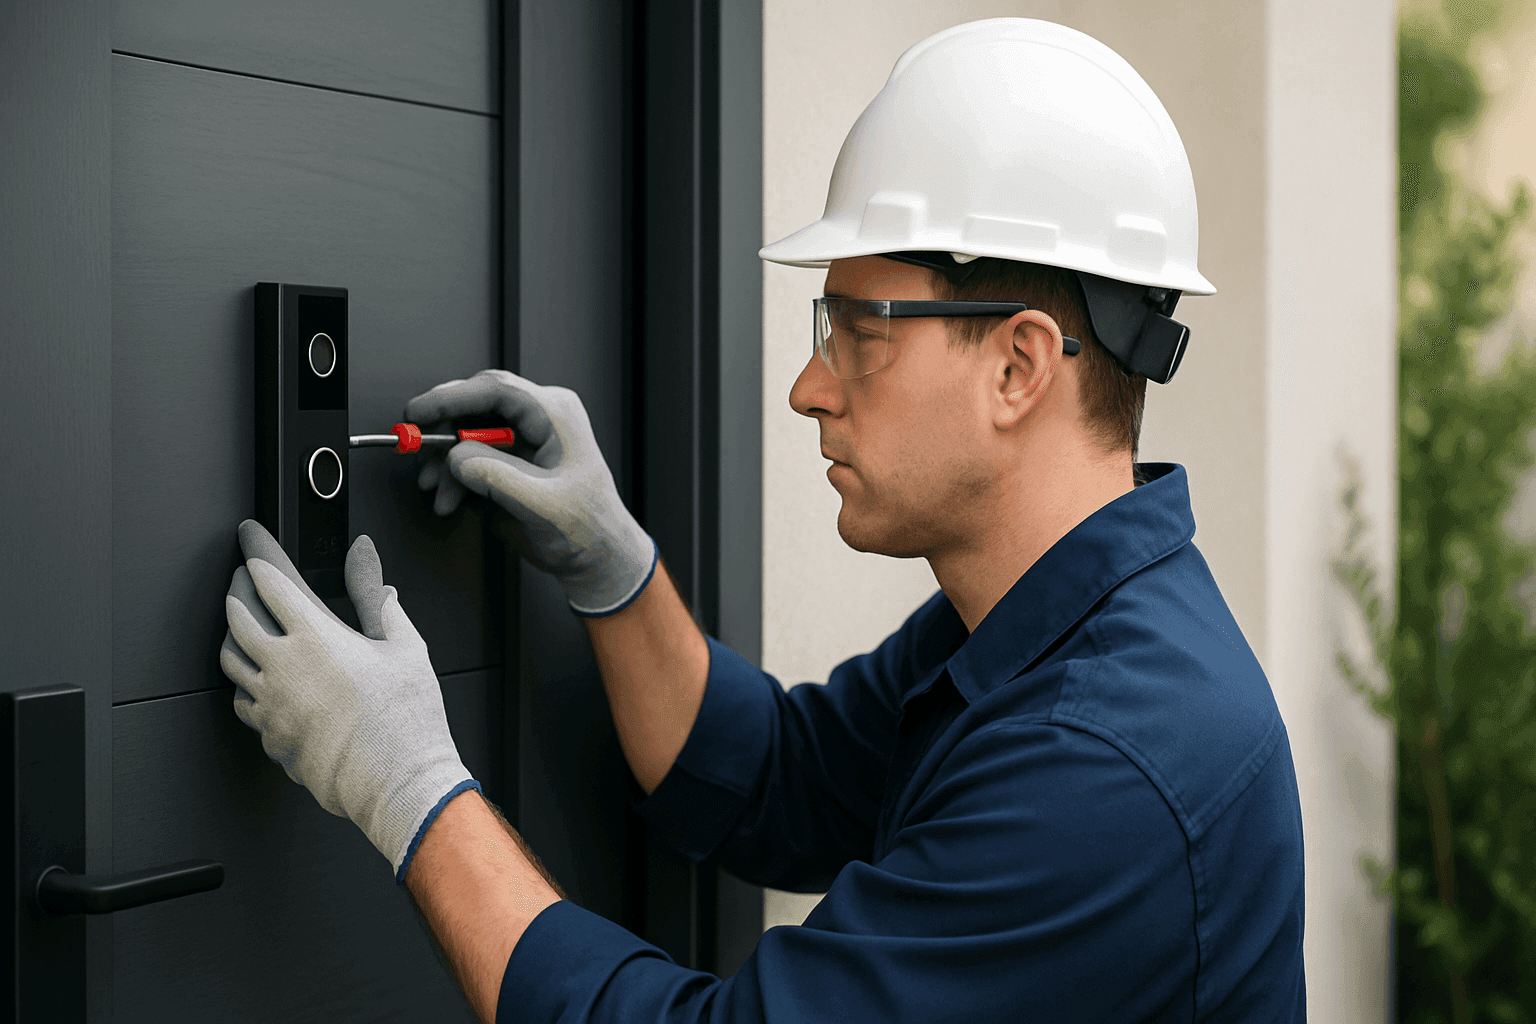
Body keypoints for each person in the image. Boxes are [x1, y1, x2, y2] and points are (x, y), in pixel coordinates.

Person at [220, 18, 1305, 1024]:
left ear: (1018, 365)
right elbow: (779, 779)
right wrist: (616, 570)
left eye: (859, 334)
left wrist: (404, 783)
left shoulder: (1103, 764)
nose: (808, 387)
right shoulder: (1040, 621)